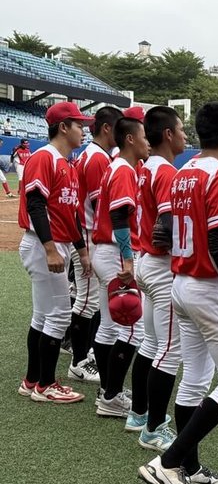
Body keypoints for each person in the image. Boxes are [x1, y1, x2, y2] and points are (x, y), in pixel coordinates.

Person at [138, 102, 218, 484]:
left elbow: (166, 230)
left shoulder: (184, 171)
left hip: (182, 282)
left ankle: (188, 467)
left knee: (194, 378)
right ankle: (169, 463)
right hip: (210, 287)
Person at [17, 102, 93, 404]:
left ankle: (32, 380)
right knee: (59, 315)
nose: (83, 130)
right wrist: (50, 249)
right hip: (42, 244)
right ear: (63, 127)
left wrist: (81, 250)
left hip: (54, 244)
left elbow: (70, 213)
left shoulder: (67, 162)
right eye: (78, 124)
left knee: (42, 316)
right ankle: (46, 385)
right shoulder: (44, 158)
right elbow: (35, 203)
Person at [128, 106, 187, 450]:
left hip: (145, 262)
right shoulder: (164, 171)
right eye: (180, 130)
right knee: (169, 350)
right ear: (167, 134)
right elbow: (166, 226)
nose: (184, 135)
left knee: (151, 344)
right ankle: (153, 428)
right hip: (161, 266)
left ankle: (138, 414)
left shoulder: (147, 167)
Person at [91, 117, 149, 418]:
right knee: (132, 329)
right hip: (115, 252)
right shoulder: (124, 169)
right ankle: (111, 397)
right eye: (143, 137)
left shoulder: (116, 165)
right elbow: (120, 219)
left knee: (109, 325)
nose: (147, 142)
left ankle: (107, 391)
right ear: (129, 139)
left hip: (104, 250)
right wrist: (128, 258)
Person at [69, 106, 123, 387]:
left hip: (90, 233)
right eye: (118, 128)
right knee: (87, 301)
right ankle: (78, 362)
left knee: (91, 300)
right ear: (106, 128)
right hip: (90, 235)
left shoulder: (96, 155)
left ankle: (84, 353)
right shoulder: (97, 159)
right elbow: (98, 205)